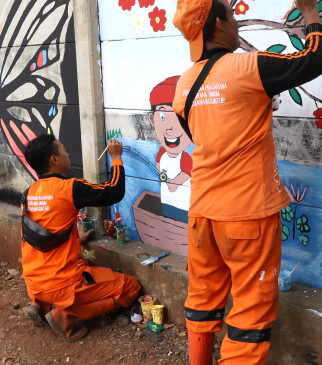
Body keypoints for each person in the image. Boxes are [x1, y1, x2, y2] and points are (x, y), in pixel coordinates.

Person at [172, 0, 322, 365]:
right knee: (249, 315)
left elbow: (201, 135)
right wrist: (310, 10)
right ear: (219, 25)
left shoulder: (184, 83)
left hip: (202, 213)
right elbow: (315, 60)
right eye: (232, 15)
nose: (237, 20)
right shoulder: (248, 66)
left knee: (203, 297)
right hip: (246, 215)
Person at [21, 134, 140, 342]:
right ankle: (66, 314)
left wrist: (77, 241)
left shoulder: (29, 193)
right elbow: (114, 192)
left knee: (77, 274)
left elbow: (44, 235)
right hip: (62, 282)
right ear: (54, 160)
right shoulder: (69, 188)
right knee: (131, 288)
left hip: (33, 280)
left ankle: (40, 303)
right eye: (64, 150)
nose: (68, 154)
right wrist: (116, 158)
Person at [149, 76, 193, 222]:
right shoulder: (161, 153)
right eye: (163, 116)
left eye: (179, 117)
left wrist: (172, 182)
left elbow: (178, 181)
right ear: (151, 120)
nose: (170, 128)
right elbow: (158, 169)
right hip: (166, 202)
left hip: (185, 206)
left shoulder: (186, 158)